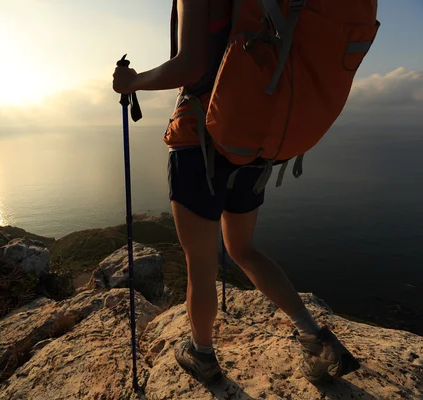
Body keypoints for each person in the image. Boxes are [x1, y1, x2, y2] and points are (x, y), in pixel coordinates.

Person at [112, 0, 360, 385]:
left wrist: (132, 82)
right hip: (252, 144)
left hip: (199, 143)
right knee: (243, 249)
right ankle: (314, 336)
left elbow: (190, 66)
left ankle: (202, 353)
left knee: (201, 264)